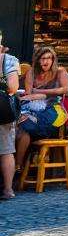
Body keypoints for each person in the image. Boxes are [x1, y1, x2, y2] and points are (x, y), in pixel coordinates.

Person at [15, 46, 68, 175]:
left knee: (24, 124)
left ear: (53, 60)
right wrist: (36, 95)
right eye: (43, 58)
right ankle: (17, 166)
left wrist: (40, 91)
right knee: (23, 131)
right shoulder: (32, 72)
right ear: (38, 60)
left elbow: (64, 89)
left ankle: (21, 163)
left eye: (49, 58)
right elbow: (29, 94)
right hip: (33, 107)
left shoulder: (60, 71)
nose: (46, 61)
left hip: (53, 110)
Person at [0, 31, 17, 199]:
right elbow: (12, 88)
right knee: (5, 149)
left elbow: (12, 87)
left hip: (1, 111)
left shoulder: (7, 59)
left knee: (5, 149)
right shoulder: (9, 60)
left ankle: (7, 189)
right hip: (2, 109)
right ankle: (8, 189)